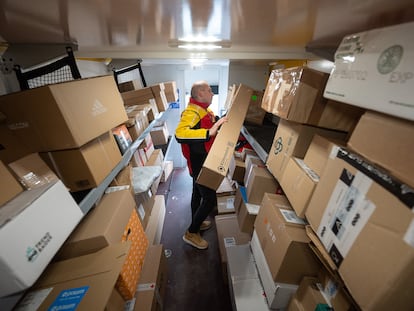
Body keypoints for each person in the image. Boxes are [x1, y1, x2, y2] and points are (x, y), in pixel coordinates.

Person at [175, 80, 228, 250]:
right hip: (198, 161)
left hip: (204, 158)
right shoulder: (191, 112)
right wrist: (210, 131)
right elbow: (180, 134)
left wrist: (219, 123)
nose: (212, 93)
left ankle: (196, 223)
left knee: (197, 194)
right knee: (210, 199)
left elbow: (211, 121)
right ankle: (191, 233)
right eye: (209, 90)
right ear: (200, 94)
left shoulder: (204, 110)